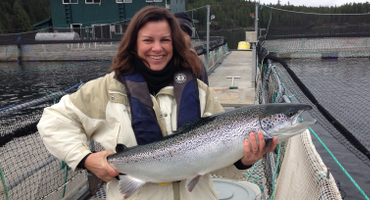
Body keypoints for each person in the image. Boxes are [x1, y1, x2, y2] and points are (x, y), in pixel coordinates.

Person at [37, 6, 277, 200]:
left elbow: (220, 163)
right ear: (133, 43)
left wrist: (244, 160)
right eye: (148, 40)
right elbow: (53, 120)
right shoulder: (106, 89)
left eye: (165, 40)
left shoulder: (200, 91)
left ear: (176, 43)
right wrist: (85, 158)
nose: (157, 47)